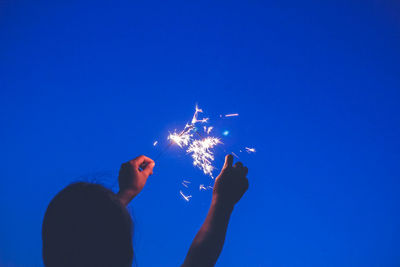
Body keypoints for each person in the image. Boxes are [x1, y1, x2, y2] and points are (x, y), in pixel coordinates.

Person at [42, 154, 248, 267]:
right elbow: (199, 261)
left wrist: (126, 192)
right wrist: (222, 203)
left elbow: (88, 232)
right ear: (123, 252)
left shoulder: (68, 252)